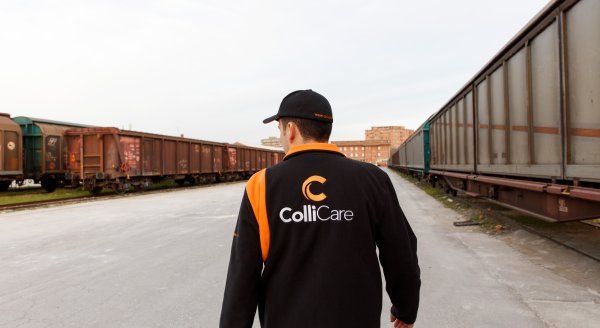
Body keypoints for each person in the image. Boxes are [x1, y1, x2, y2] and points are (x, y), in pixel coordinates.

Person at [220, 89, 420, 328]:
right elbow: (400, 250)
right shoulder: (373, 179)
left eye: (280, 130)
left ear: (291, 130)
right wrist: (406, 309)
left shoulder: (262, 184)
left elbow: (243, 274)